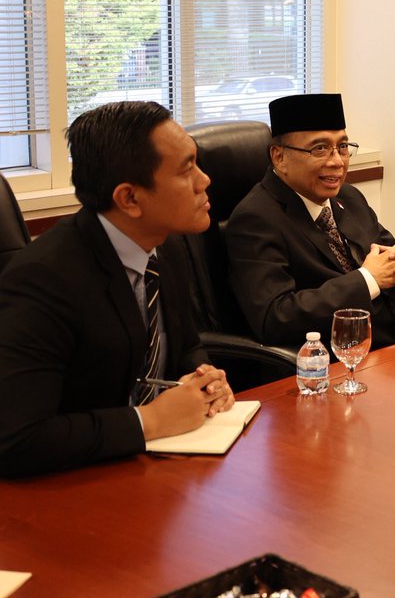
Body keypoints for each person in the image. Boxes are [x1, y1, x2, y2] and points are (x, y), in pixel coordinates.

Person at [0, 102, 234, 478]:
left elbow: (186, 345)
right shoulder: (43, 279)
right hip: (74, 485)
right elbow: (17, 438)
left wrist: (204, 379)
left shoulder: (165, 244)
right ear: (129, 198)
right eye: (186, 168)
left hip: (160, 474)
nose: (204, 180)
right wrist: (149, 421)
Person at [225, 93, 395, 349]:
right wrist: (368, 279)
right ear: (279, 157)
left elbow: (389, 260)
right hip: (329, 365)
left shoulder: (348, 197)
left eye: (342, 147)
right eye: (320, 149)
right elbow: (275, 317)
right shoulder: (256, 219)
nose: (337, 161)